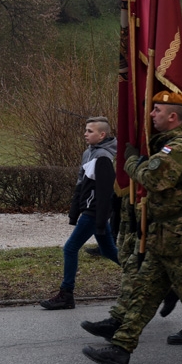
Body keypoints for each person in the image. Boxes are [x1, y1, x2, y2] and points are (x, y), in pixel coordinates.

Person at [81, 90, 182, 364]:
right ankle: (120, 349)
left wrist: (130, 161)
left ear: (173, 116)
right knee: (143, 294)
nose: (151, 115)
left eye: (157, 111)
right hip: (164, 234)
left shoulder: (180, 147)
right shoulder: (170, 144)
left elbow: (154, 178)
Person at [40, 117, 120, 310]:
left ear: (102, 135)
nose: (85, 134)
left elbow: (104, 193)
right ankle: (147, 276)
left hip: (93, 213)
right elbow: (81, 184)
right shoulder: (88, 153)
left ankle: (66, 294)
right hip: (90, 211)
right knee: (109, 251)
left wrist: (99, 220)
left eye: (90, 131)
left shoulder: (103, 158)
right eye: (86, 130)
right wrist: (74, 211)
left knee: (70, 248)